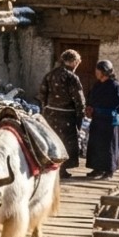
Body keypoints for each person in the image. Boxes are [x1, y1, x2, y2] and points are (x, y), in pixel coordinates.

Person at [38, 49, 86, 177]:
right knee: (65, 143)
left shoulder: (49, 75)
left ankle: (50, 167)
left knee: (51, 141)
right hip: (66, 117)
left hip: (50, 115)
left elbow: (42, 95)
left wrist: (45, 111)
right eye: (78, 62)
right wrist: (80, 116)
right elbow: (79, 99)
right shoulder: (72, 78)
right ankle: (62, 169)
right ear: (74, 62)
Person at [85, 60, 119, 180]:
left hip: (109, 120)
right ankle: (97, 168)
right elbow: (91, 98)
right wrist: (90, 108)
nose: (96, 72)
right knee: (96, 144)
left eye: (98, 70)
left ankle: (109, 171)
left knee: (108, 146)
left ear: (104, 71)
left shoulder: (115, 85)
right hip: (97, 119)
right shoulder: (97, 85)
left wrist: (116, 113)